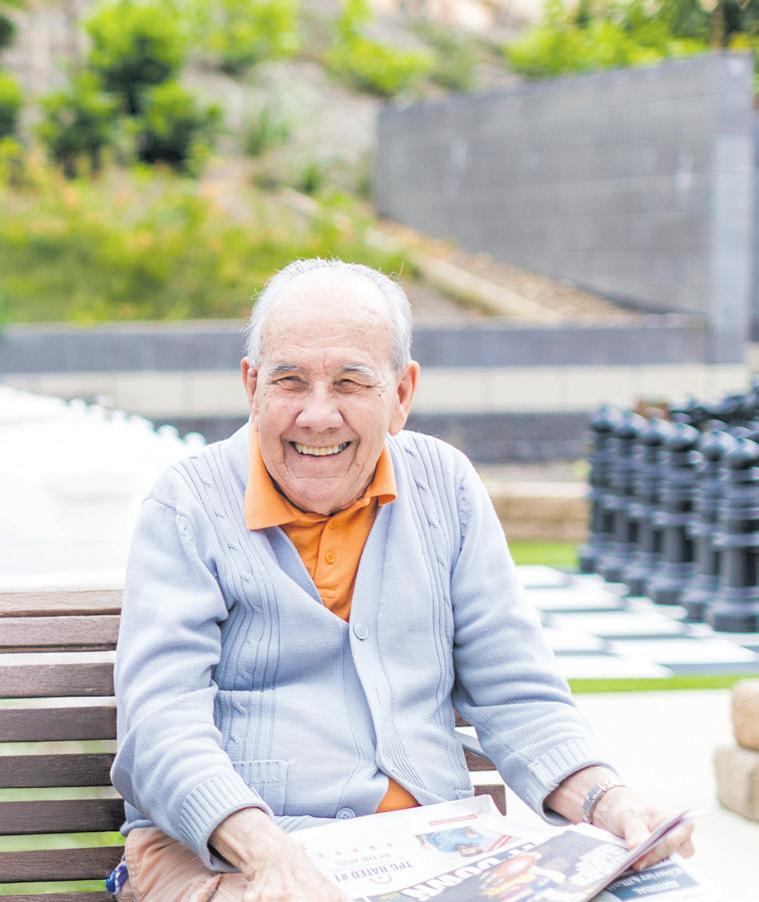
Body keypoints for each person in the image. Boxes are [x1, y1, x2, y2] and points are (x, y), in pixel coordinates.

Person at [110, 259, 694, 901]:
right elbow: (161, 726)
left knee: (657, 889)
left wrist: (607, 800)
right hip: (233, 854)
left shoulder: (446, 486)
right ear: (252, 386)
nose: (318, 415)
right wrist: (269, 852)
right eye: (290, 381)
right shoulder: (187, 506)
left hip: (434, 853)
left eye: (351, 383)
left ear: (402, 394)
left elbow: (517, 693)